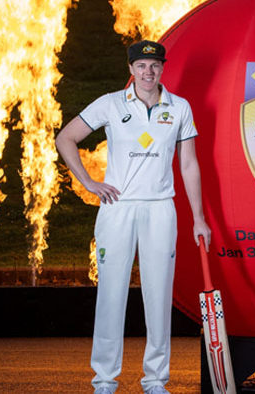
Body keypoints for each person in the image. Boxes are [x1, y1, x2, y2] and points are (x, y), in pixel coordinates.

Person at [56, 39, 211, 394]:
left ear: (162, 69)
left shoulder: (180, 107)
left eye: (154, 66)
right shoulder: (110, 104)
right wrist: (89, 182)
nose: (148, 71)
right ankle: (104, 381)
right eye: (141, 65)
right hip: (118, 209)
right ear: (130, 69)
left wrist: (198, 218)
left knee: (158, 295)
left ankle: (155, 381)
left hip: (160, 209)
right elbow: (66, 138)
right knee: (111, 294)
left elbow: (188, 165)